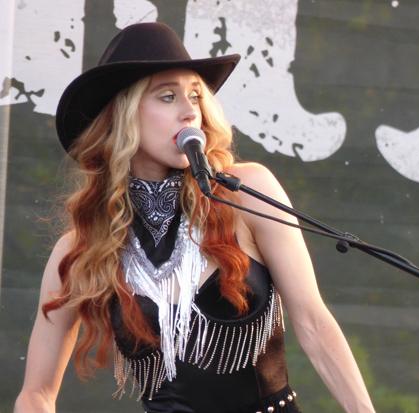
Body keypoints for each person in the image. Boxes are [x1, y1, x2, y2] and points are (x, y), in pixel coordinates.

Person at [14, 22, 376, 413]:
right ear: (122, 115)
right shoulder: (83, 246)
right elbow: (37, 393)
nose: (190, 111)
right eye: (167, 96)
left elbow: (314, 324)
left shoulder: (245, 192)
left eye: (195, 95)